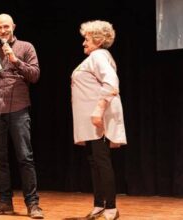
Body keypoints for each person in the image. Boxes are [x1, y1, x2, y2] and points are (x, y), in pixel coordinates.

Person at [0, 13, 43, 219]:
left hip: (19, 108)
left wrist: (14, 59)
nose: (3, 30)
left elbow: (35, 75)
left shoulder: (26, 47)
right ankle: (4, 202)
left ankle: (33, 203)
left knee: (25, 157)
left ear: (13, 26)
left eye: (6, 26)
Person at [70, 20, 127, 220]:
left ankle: (111, 207)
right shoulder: (94, 57)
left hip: (98, 119)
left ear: (99, 39)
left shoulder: (99, 55)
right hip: (90, 121)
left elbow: (111, 82)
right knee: (94, 162)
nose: (83, 43)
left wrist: (99, 109)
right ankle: (99, 205)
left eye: (86, 39)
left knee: (101, 162)